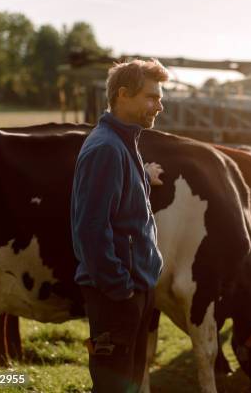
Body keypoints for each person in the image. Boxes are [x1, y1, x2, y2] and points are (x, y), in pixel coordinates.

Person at [70, 59, 169, 392]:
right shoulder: (106, 149)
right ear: (123, 95)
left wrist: (145, 176)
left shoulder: (124, 142)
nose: (160, 105)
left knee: (128, 382)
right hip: (117, 296)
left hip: (135, 288)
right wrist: (120, 289)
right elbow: (90, 231)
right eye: (151, 97)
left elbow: (119, 203)